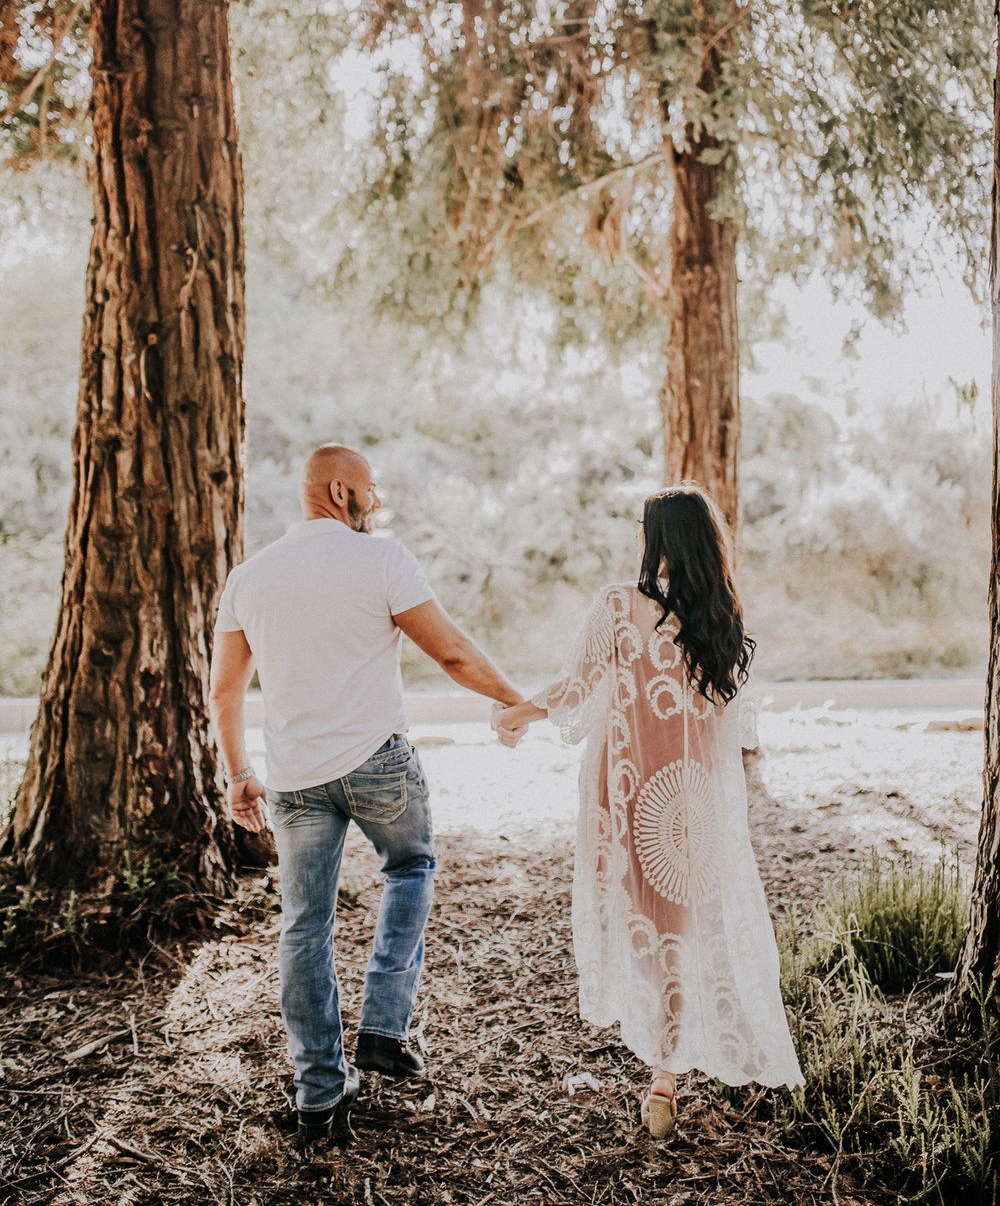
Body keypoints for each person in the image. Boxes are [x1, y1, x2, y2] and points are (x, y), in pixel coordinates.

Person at [210, 443, 524, 1143]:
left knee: (305, 923)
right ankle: (384, 1025)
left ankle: (319, 1092)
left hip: (294, 780)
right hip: (378, 763)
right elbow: (451, 653)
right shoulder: (382, 559)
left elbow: (226, 687)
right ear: (342, 491)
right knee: (411, 866)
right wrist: (513, 697)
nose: (376, 501)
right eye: (372, 490)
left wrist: (238, 772)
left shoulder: (249, 577)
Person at [492, 483, 804, 1138]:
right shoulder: (722, 623)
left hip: (630, 791)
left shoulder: (618, 605)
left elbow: (576, 688)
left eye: (645, 529)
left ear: (658, 539)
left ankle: (663, 1066)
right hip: (689, 801)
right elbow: (732, 733)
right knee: (677, 931)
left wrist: (515, 713)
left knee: (647, 930)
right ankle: (664, 1075)